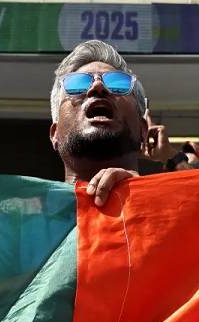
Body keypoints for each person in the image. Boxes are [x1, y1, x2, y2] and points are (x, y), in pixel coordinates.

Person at [50, 40, 153, 206]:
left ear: (143, 130)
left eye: (118, 84)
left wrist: (149, 199)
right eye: (77, 85)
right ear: (54, 134)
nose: (98, 86)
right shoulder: (20, 217)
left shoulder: (180, 209)